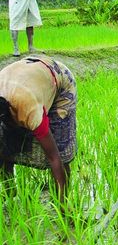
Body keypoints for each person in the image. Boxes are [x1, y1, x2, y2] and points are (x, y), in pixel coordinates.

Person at [0, 56, 76, 205]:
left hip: (59, 79)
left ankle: (63, 202)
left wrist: (63, 208)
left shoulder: (28, 108)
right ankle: (10, 191)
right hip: (26, 75)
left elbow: (54, 158)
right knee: (6, 144)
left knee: (61, 150)